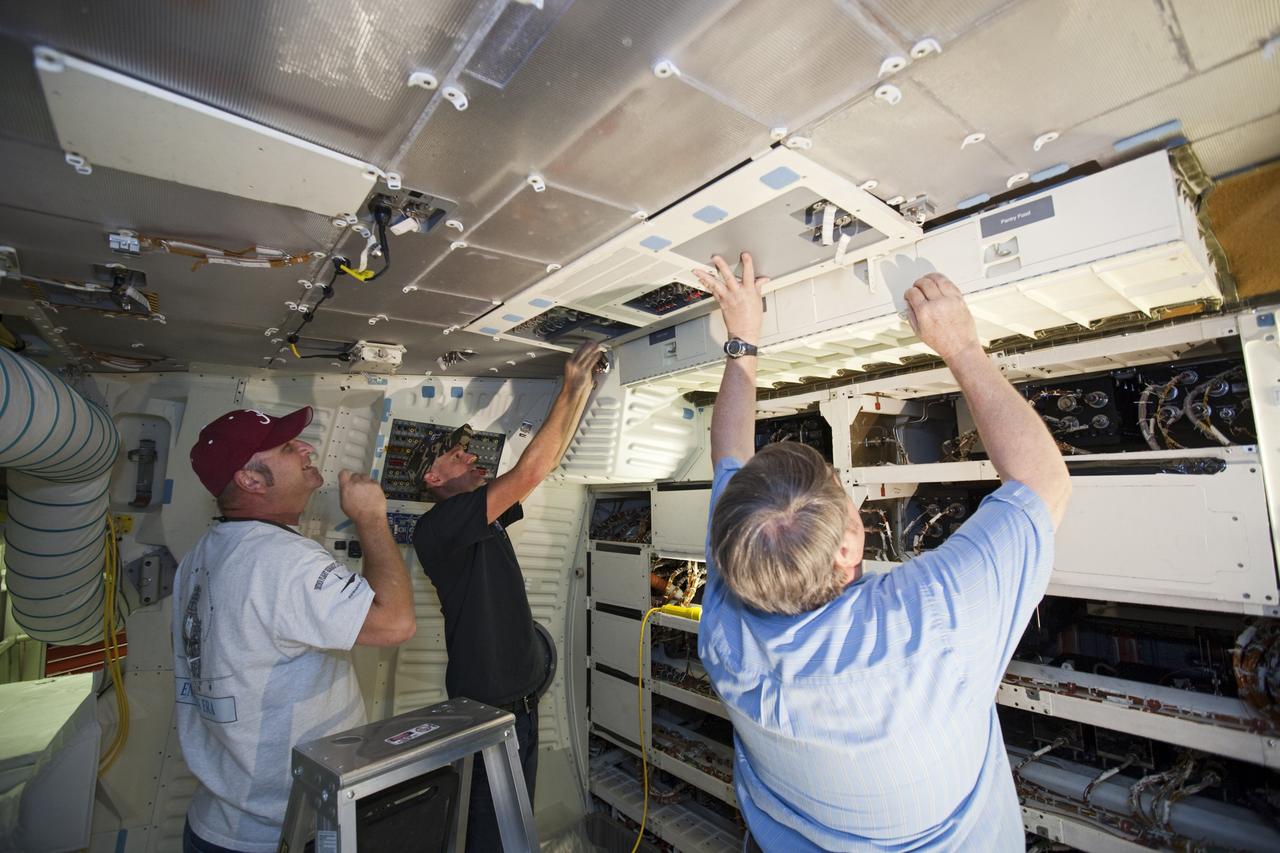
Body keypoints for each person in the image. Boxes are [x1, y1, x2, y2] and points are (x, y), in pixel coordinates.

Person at [695, 254, 1071, 851]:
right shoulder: (932, 621)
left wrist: (743, 339)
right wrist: (962, 347)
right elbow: (1043, 482)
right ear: (851, 542)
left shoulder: (726, 623)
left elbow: (727, 459)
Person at [174, 407, 416, 853]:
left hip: (218, 821)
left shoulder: (202, 554)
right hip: (281, 829)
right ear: (250, 479)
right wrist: (371, 519)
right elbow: (395, 623)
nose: (306, 447)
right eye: (288, 446)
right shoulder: (281, 560)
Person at [410, 341, 603, 852]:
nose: (472, 457)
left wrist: (582, 392)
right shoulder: (439, 526)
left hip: (516, 701)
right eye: (457, 457)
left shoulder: (480, 518)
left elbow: (545, 463)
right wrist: (569, 385)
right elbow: (530, 472)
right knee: (492, 828)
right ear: (433, 480)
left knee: (510, 819)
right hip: (491, 707)